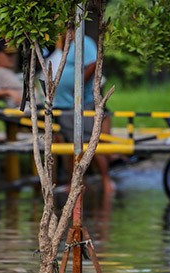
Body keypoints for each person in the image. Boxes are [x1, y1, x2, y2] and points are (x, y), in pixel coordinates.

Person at [52, 29, 115, 194]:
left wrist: (78, 84)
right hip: (65, 106)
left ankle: (106, 180)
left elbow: (93, 63)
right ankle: (75, 183)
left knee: (90, 143)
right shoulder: (66, 46)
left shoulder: (83, 41)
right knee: (71, 145)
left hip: (81, 104)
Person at [0, 41, 23, 109]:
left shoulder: (10, 71)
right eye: (8, 55)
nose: (12, 57)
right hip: (18, 110)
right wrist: (9, 92)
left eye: (13, 54)